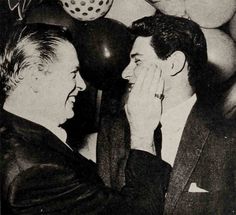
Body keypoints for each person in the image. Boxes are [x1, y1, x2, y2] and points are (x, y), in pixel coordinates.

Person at [0, 23, 171, 215]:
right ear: (35, 78)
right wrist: (142, 134)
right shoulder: (34, 172)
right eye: (73, 74)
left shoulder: (17, 135)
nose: (81, 85)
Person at [120, 12, 235, 214]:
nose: (125, 73)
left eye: (137, 62)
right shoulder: (114, 133)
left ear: (174, 64)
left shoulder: (228, 140)